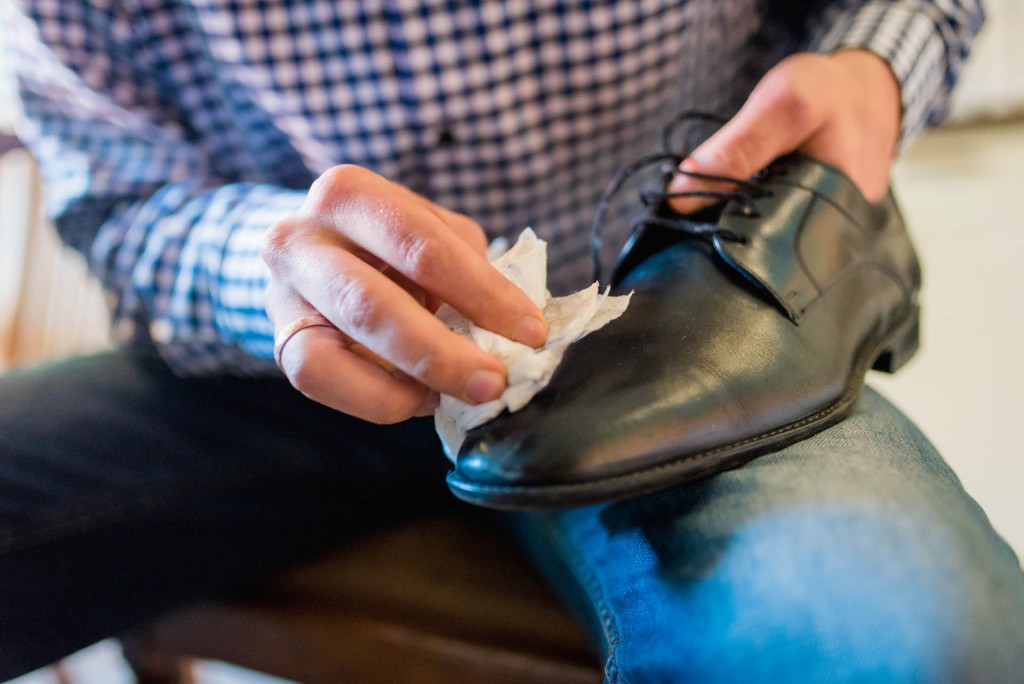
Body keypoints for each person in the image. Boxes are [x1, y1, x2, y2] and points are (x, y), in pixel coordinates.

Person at [2, 0, 1023, 681]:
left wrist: (875, 62)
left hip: (678, 332)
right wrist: (260, 262)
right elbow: (119, 199)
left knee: (925, 651)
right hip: (273, 363)